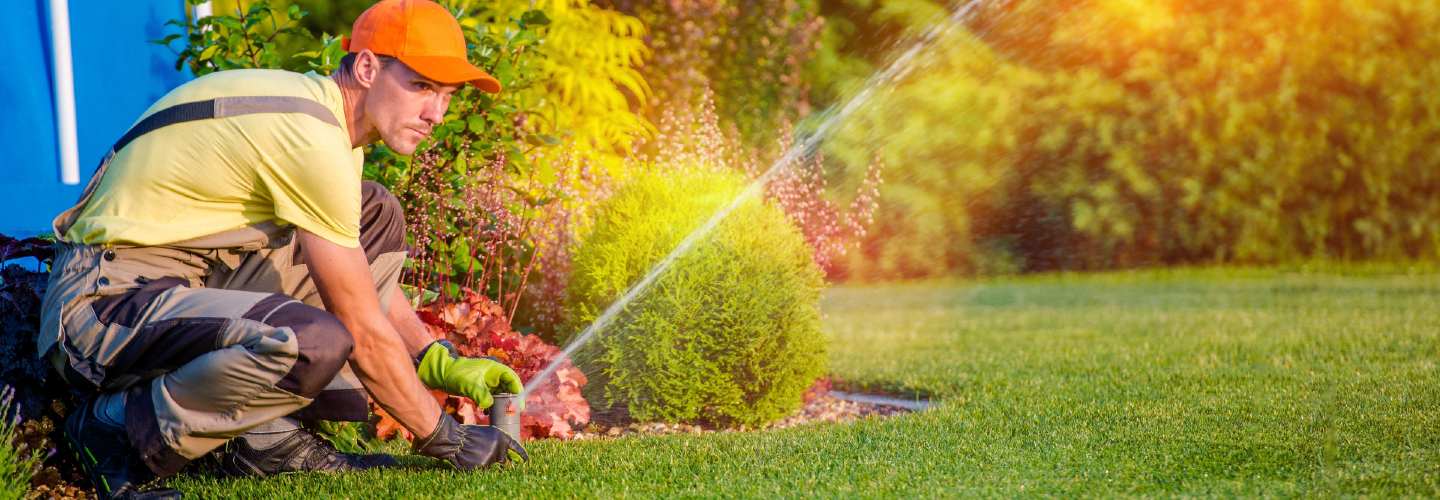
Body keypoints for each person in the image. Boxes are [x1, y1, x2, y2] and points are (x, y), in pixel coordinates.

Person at [37, 1, 528, 498]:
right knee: (311, 344)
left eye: (447, 95)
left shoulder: (327, 126)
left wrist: (430, 356)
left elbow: (354, 276)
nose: (436, 113)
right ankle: (116, 431)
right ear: (366, 66)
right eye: (422, 86)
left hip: (179, 285)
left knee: (374, 213)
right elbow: (358, 323)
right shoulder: (310, 136)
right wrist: (443, 436)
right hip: (103, 307)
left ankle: (259, 440)